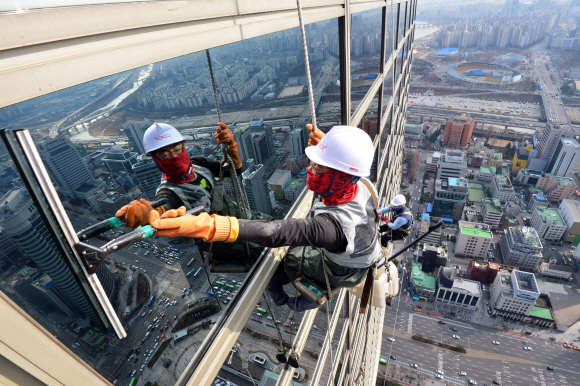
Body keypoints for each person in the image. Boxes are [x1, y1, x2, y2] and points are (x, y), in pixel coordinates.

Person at [148, 124, 385, 312]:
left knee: (287, 263)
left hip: (345, 268)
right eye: (313, 163)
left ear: (340, 177)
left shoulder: (330, 227)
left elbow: (273, 233)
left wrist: (210, 226)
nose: (310, 170)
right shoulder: (362, 183)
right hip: (363, 250)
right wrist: (331, 150)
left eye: (319, 168)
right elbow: (162, 205)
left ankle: (305, 297)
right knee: (287, 253)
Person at [115, 122, 272, 266]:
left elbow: (233, 170)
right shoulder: (169, 192)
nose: (174, 157)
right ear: (156, 160)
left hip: (242, 217)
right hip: (226, 240)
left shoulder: (198, 164)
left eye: (177, 150)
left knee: (277, 227)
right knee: (272, 255)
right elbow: (163, 208)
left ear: (184, 148)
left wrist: (232, 148)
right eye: (165, 155)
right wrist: (147, 214)